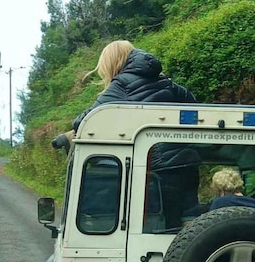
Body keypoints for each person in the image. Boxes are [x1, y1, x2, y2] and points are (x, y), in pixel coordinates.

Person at [72, 40, 200, 228]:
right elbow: (196, 108)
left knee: (154, 231)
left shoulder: (122, 85)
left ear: (112, 63)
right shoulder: (167, 82)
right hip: (187, 166)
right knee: (186, 232)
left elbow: (84, 121)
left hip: (157, 172)